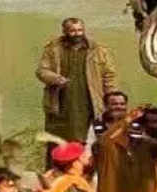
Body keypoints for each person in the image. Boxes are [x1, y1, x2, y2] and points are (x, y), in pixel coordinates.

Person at [36, 18, 119, 166]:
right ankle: (55, 173)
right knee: (57, 141)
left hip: (89, 103)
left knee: (88, 140)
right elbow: (42, 71)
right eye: (73, 31)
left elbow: (109, 76)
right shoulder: (53, 49)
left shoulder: (98, 51)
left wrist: (112, 98)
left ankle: (84, 172)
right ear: (65, 31)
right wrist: (55, 79)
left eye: (80, 30)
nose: (77, 34)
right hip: (59, 104)